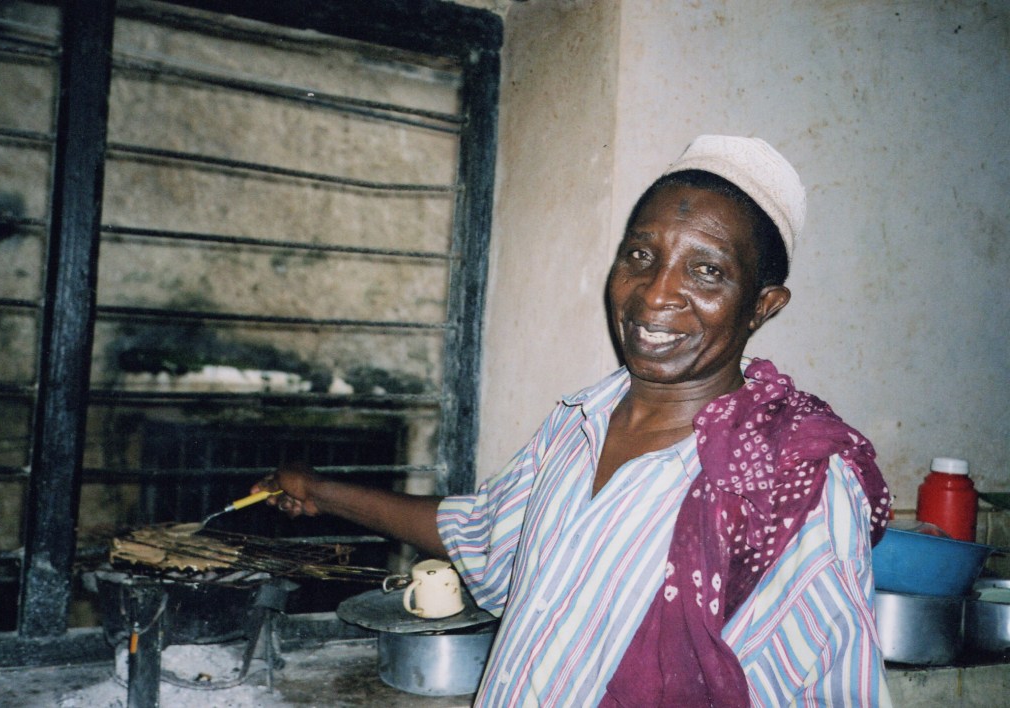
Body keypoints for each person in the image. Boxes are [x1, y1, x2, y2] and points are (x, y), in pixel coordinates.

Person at [254, 135, 893, 707]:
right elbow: (482, 533)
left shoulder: (794, 485)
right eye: (640, 255)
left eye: (707, 271)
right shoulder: (577, 422)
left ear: (762, 306)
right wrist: (321, 490)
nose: (656, 294)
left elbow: (832, 691)